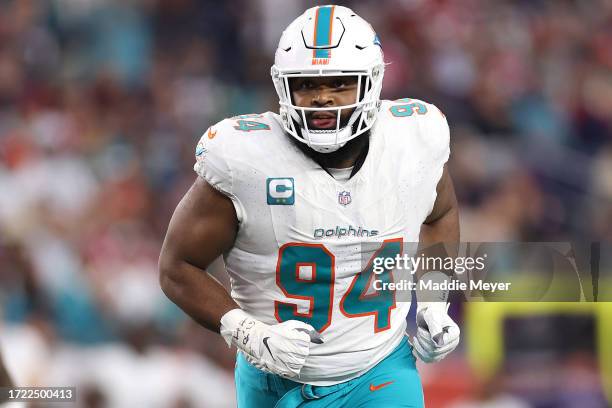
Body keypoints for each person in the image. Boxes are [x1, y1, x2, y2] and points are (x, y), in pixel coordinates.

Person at [159, 5, 460, 407]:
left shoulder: (412, 141)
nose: (322, 98)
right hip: (275, 378)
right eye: (306, 84)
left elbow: (440, 215)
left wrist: (435, 302)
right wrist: (247, 331)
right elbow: (176, 267)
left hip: (381, 369)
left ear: (371, 83)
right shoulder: (245, 159)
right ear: (284, 87)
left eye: (339, 84)